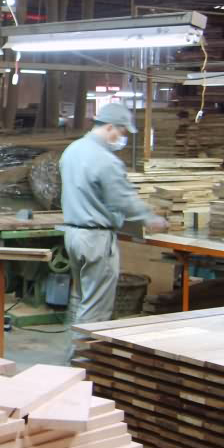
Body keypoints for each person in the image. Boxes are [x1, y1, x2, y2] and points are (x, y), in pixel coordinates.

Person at [59, 103, 168, 361]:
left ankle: (72, 355)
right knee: (96, 308)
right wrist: (150, 218)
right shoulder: (105, 160)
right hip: (96, 238)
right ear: (109, 127)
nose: (122, 138)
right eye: (121, 132)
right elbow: (122, 199)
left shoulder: (72, 150)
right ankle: (81, 364)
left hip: (73, 234)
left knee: (82, 299)